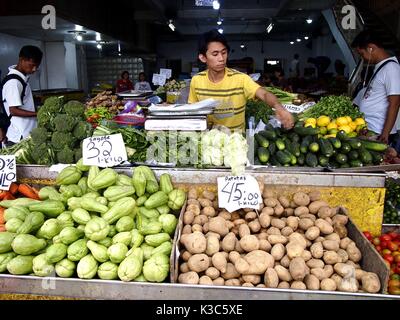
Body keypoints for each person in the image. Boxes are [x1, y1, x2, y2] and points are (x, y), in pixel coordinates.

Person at [188, 29, 294, 131]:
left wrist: (278, 106)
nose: (221, 58)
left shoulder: (240, 79)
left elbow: (264, 94)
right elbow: (192, 111)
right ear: (203, 58)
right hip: (210, 141)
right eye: (215, 54)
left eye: (224, 53)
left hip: (237, 143)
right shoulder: (196, 80)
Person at [351, 30, 400, 144]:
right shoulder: (381, 67)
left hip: (379, 132)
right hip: (370, 129)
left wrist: (385, 134)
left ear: (371, 48)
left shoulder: (391, 68)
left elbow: (395, 102)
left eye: (361, 54)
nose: (362, 58)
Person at [1, 45, 42, 146]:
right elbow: (13, 110)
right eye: (32, 65)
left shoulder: (21, 78)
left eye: (37, 66)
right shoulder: (14, 82)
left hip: (26, 133)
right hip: (19, 137)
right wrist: (38, 113)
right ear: (22, 60)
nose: (34, 69)